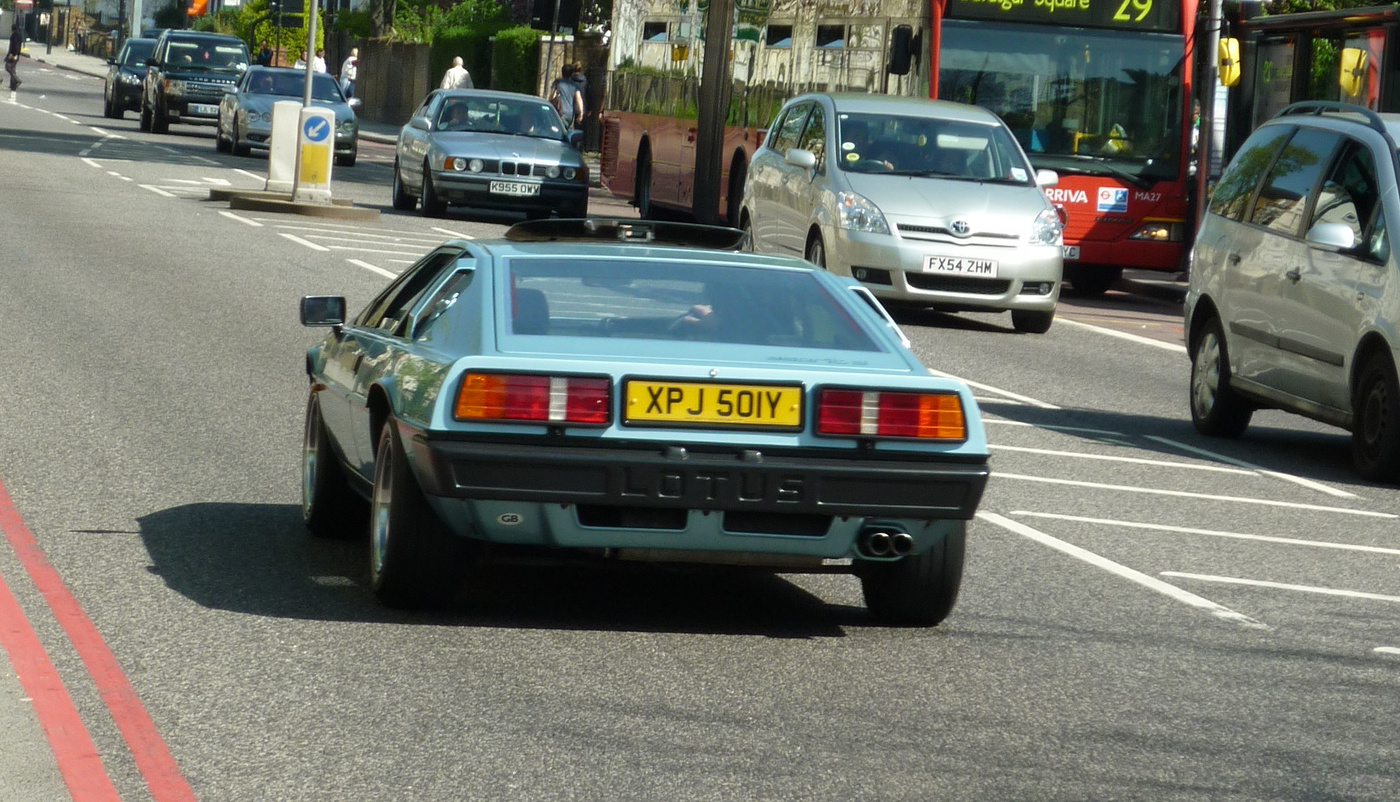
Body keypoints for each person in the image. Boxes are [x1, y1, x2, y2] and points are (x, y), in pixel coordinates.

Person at [549, 64, 583, 129]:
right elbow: (578, 99)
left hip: (560, 113)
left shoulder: (557, 83)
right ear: (571, 73)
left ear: (562, 72)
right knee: (569, 134)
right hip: (570, 114)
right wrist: (580, 113)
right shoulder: (574, 85)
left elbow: (552, 97)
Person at [6, 23, 22, 92]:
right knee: (13, 68)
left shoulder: (14, 36)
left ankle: (16, 79)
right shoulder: (19, 35)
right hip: (17, 54)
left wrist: (11, 54)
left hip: (13, 54)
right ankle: (13, 85)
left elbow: (13, 46)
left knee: (8, 67)